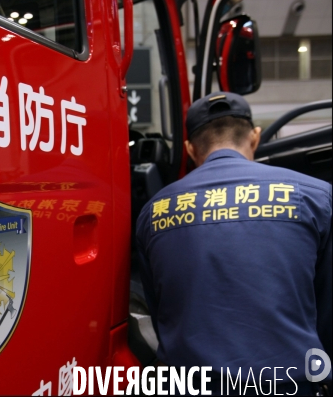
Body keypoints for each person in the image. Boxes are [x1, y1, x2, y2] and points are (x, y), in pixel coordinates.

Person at [135, 91, 332, 395]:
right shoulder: (316, 196)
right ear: (255, 137)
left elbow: (163, 312)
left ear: (189, 149)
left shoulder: (154, 212)